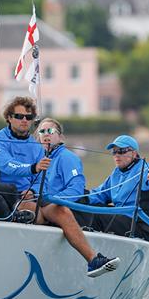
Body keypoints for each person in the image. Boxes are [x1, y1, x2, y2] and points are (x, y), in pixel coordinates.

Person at [34, 118, 120, 277]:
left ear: (60, 138)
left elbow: (76, 188)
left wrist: (52, 200)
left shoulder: (67, 157)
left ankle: (92, 259)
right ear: (38, 137)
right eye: (42, 131)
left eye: (51, 131)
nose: (46, 135)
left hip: (65, 210)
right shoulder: (37, 160)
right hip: (44, 209)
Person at [87, 134, 149, 242]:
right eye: (114, 152)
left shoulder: (142, 169)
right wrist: (79, 197)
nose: (117, 155)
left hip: (140, 226)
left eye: (121, 151)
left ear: (134, 153)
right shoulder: (116, 173)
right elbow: (99, 194)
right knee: (86, 207)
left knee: (94, 215)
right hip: (121, 219)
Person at [0, 96, 50, 215]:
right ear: (9, 118)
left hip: (28, 197)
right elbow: (8, 166)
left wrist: (33, 191)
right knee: (41, 215)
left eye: (29, 117)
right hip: (3, 196)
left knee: (62, 211)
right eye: (19, 116)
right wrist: (33, 168)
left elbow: (42, 180)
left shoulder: (37, 146)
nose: (24, 120)